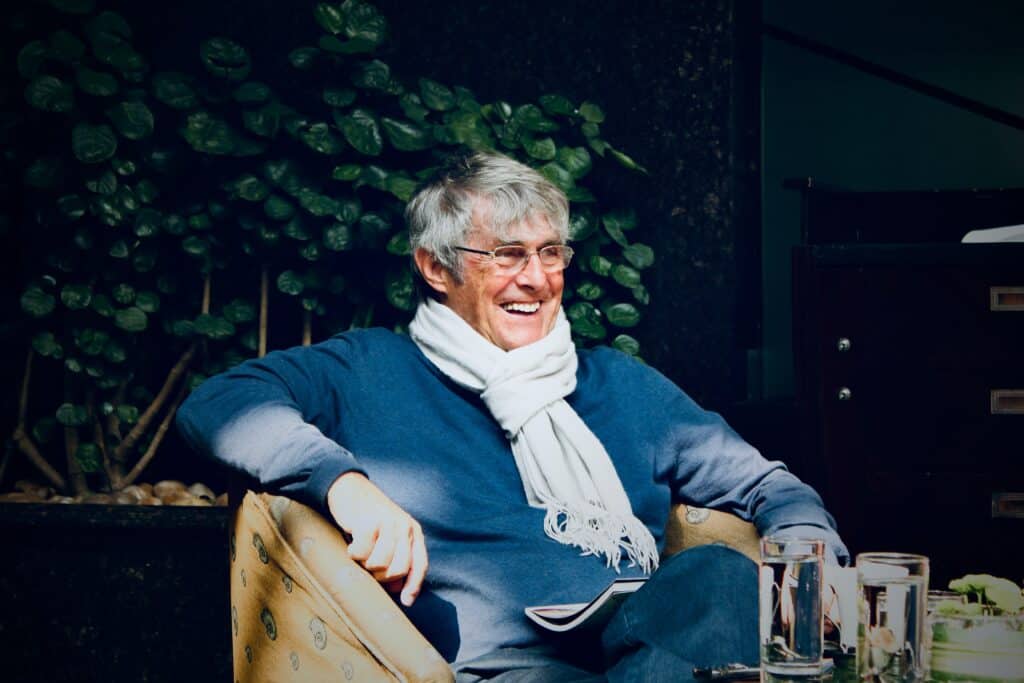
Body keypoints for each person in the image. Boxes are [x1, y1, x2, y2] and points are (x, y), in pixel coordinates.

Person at [176, 150, 848, 681]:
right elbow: (219, 404)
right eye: (507, 255)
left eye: (550, 252)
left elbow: (768, 485)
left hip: (657, 646)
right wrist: (341, 483)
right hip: (509, 669)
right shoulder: (369, 369)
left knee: (721, 577)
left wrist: (811, 552)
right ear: (435, 267)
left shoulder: (619, 383)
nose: (536, 277)